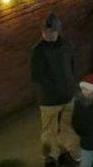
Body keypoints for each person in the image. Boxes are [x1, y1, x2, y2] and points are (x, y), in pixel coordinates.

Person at [31, 13, 79, 166]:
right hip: (49, 99)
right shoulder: (37, 51)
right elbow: (37, 76)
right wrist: (51, 88)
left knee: (66, 127)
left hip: (67, 95)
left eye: (52, 32)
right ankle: (50, 157)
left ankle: (64, 152)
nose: (48, 35)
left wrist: (72, 85)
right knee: (49, 130)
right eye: (46, 32)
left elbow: (72, 66)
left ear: (58, 31)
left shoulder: (65, 45)